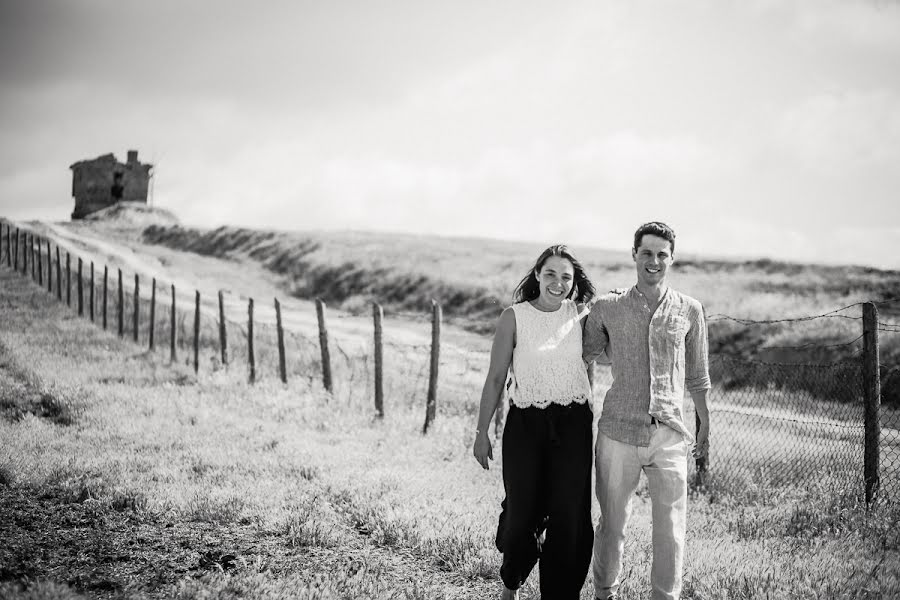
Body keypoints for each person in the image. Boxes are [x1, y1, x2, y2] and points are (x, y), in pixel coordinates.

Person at [583, 221, 710, 600]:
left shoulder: (690, 310)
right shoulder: (608, 307)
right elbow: (585, 354)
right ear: (634, 255)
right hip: (617, 432)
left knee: (670, 528)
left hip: (669, 434)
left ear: (671, 259)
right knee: (612, 523)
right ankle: (604, 591)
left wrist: (705, 424)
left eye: (661, 255)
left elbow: (699, 377)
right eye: (646, 253)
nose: (653, 261)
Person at [473, 244, 596, 600]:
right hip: (526, 424)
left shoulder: (581, 314)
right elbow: (496, 378)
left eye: (566, 277)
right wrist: (482, 433)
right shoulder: (514, 316)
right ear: (538, 275)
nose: (558, 283)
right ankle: (511, 578)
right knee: (521, 515)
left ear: (574, 283)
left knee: (568, 517)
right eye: (551, 274)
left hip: (573, 424)